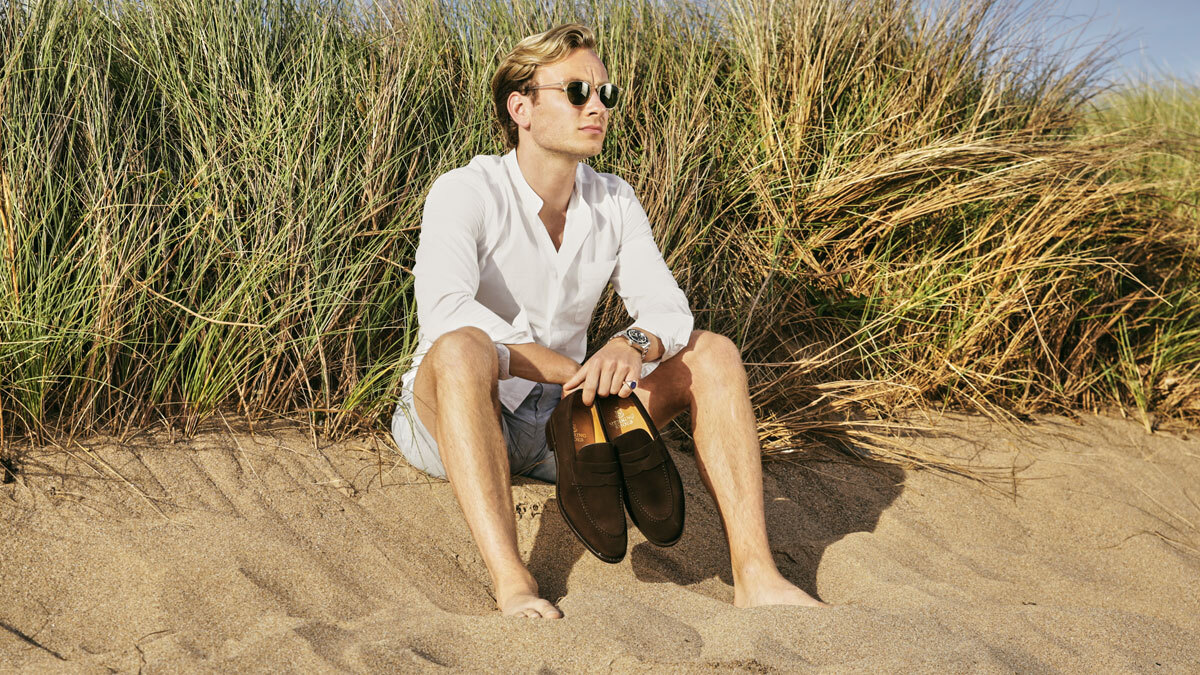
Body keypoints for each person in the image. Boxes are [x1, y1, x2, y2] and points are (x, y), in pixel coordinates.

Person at [391, 23, 828, 619]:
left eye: (605, 93)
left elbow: (668, 309)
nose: (597, 106)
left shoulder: (614, 200)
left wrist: (633, 343)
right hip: (455, 417)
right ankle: (513, 581)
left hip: (563, 424)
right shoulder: (466, 191)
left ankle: (756, 573)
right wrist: (574, 367)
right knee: (463, 346)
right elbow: (443, 311)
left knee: (715, 354)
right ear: (521, 107)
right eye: (576, 91)